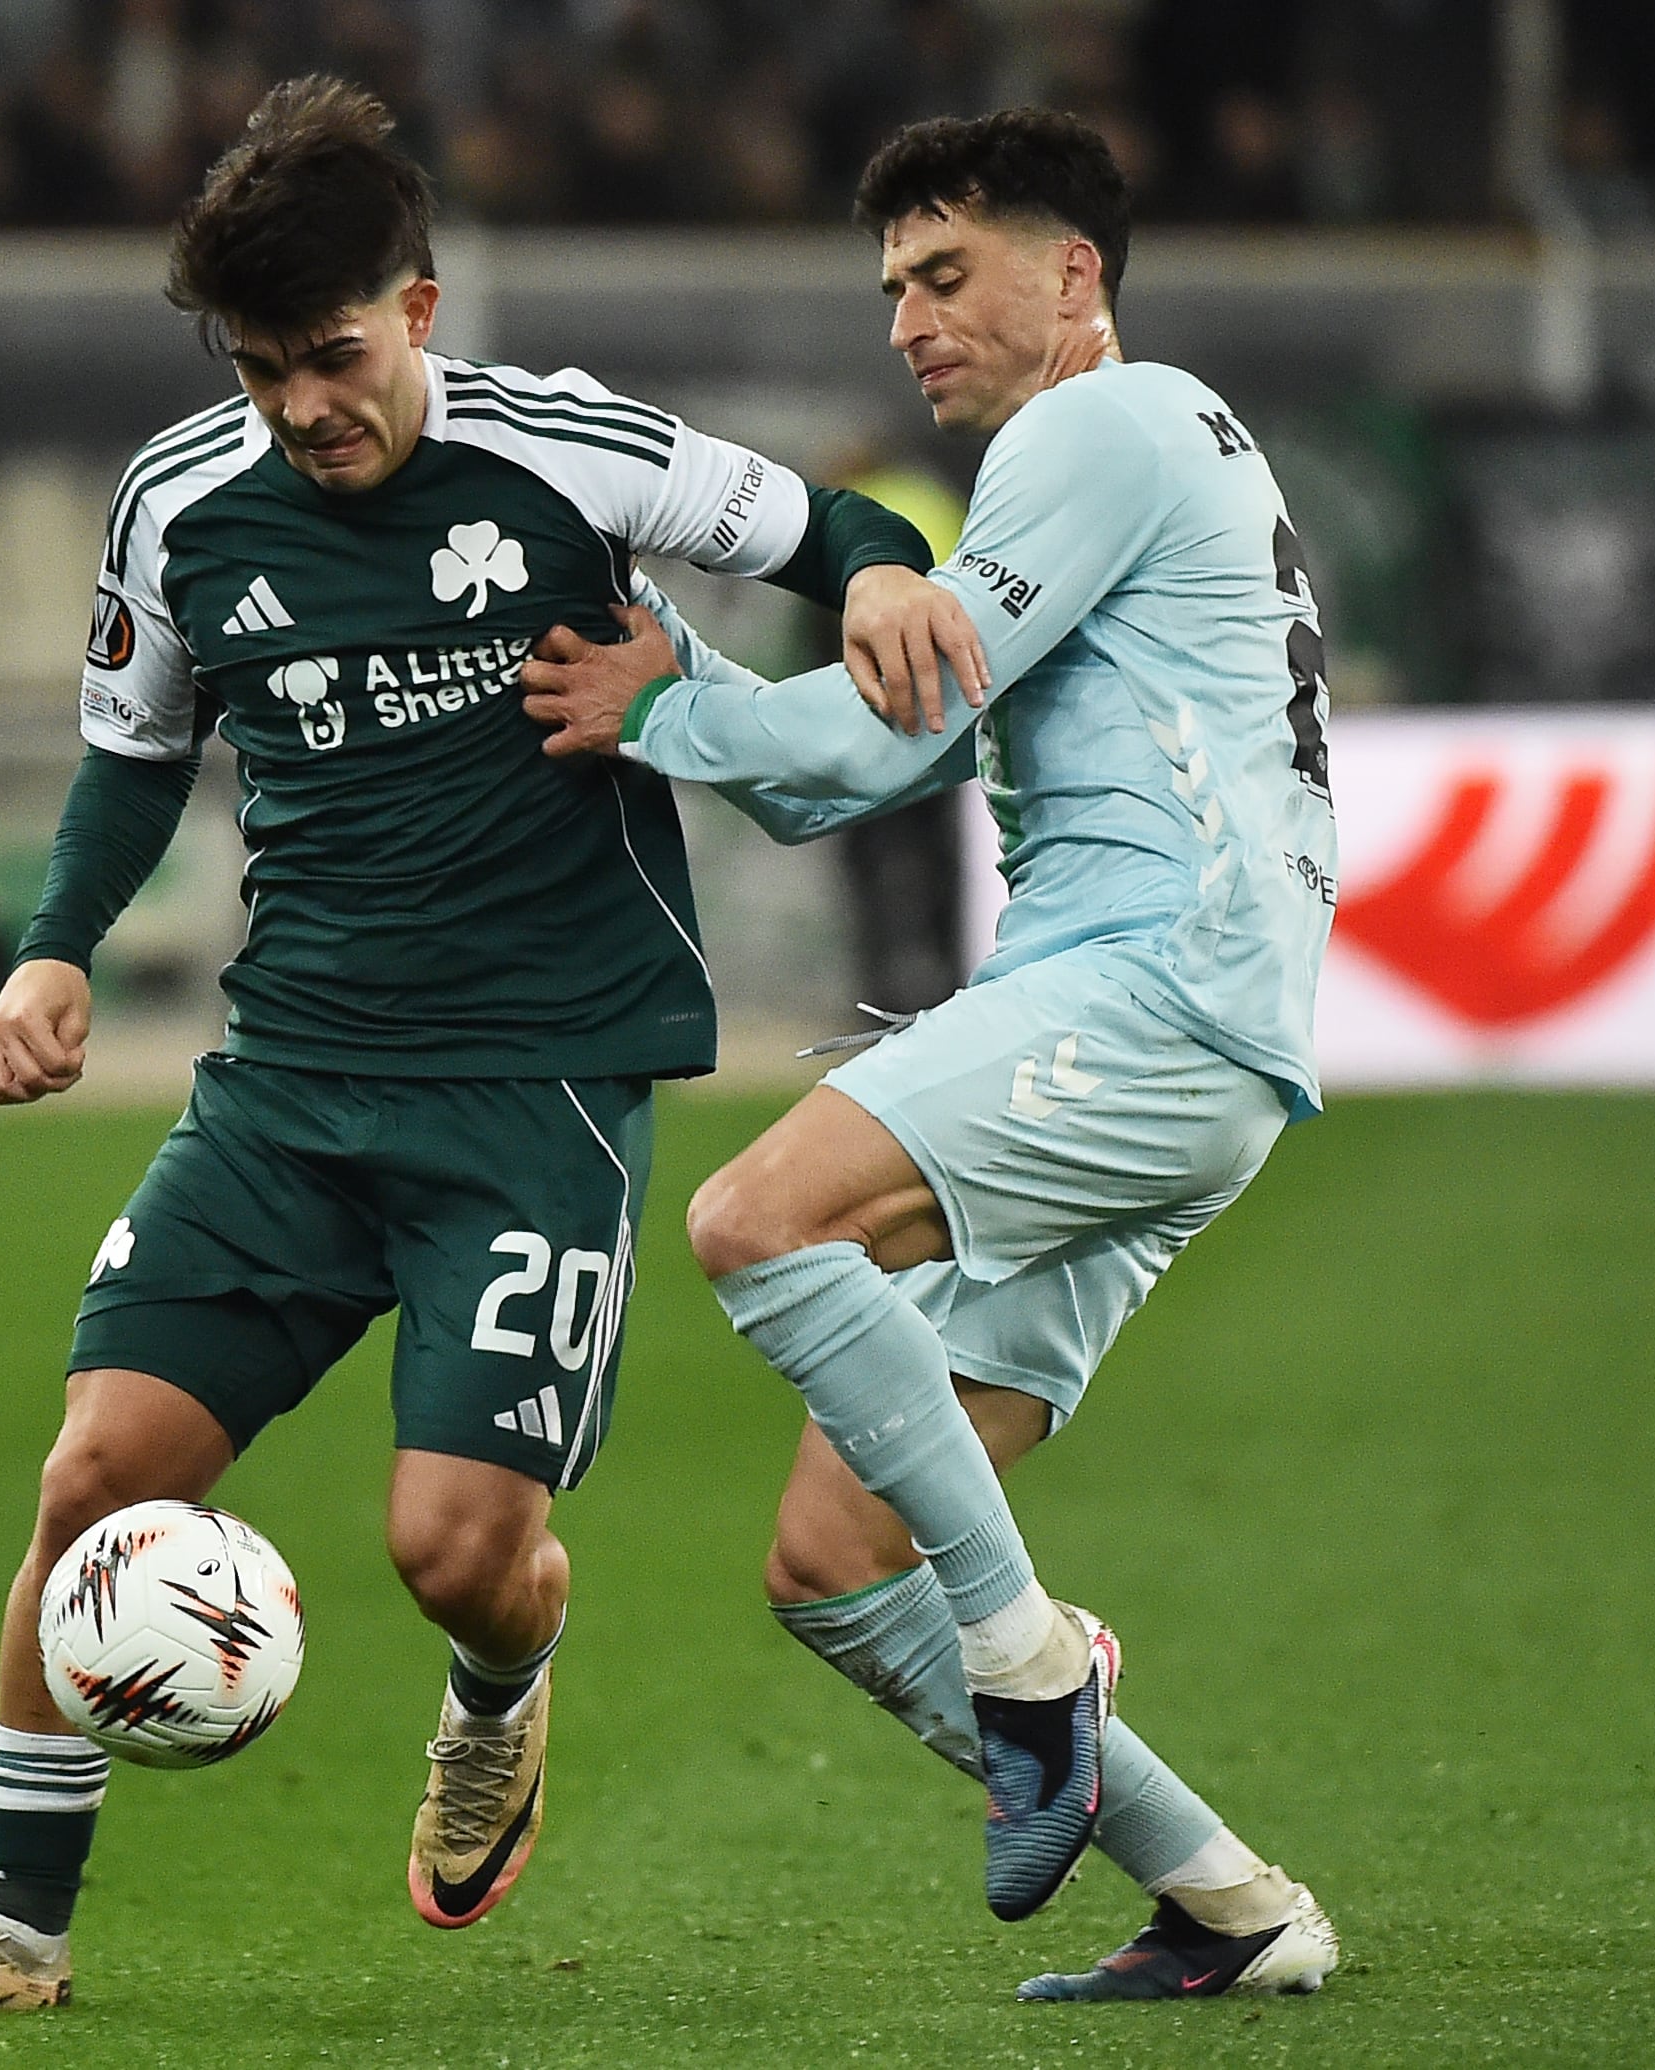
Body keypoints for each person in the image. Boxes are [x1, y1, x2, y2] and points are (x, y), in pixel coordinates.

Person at [0, 75, 976, 2021]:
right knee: (92, 1476)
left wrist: (868, 571)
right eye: (261, 368)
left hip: (531, 1091)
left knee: (451, 1550)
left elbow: (825, 516)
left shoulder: (566, 449)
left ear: (416, 308)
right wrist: (53, 954)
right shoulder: (178, 502)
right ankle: (13, 1939)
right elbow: (131, 753)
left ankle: (500, 1689)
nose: (302, 406)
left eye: (333, 356)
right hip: (285, 1090)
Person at [521, 108, 1343, 2002]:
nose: (906, 318)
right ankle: (1232, 1908)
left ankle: (1033, 1663)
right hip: (1190, 1038)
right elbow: (850, 771)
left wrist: (666, 700)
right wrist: (697, 694)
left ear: (1074, 274)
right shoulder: (1165, 444)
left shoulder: (1094, 425)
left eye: (946, 272)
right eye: (891, 283)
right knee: (833, 1558)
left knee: (754, 1219)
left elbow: (876, 743)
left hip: (1148, 993)